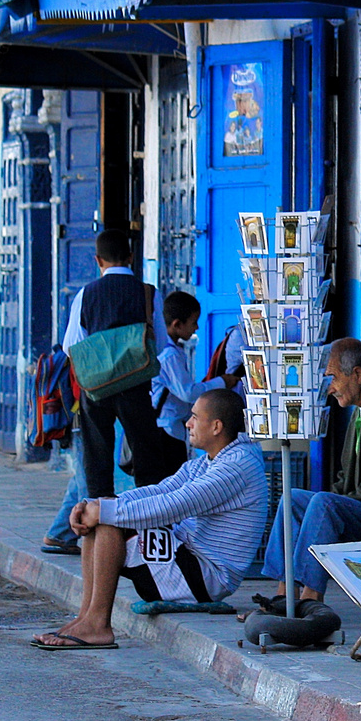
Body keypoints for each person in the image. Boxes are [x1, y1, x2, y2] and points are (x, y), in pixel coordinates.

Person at [31, 388, 267, 649]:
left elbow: (175, 505)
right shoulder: (211, 461)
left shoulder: (236, 467)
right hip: (188, 558)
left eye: (195, 417)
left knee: (111, 522)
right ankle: (85, 617)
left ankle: (97, 625)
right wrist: (96, 504)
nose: (187, 423)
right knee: (105, 514)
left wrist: (106, 512)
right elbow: (163, 489)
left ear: (216, 427)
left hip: (206, 576)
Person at [259, 338, 361, 604]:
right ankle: (284, 597)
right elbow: (345, 478)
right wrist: (329, 504)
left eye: (333, 378)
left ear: (358, 375)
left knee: (324, 503)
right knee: (291, 499)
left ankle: (310, 600)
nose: (330, 388)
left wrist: (333, 506)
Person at [64, 230, 173, 496]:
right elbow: (158, 344)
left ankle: (100, 521)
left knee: (97, 454)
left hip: (97, 388)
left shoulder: (85, 295)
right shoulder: (148, 293)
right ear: (131, 257)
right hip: (136, 385)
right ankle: (148, 516)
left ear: (97, 260)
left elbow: (71, 347)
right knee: (146, 452)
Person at [152, 290, 239, 466]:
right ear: (177, 324)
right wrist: (223, 381)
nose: (197, 328)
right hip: (167, 428)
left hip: (170, 426)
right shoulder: (169, 355)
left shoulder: (169, 350)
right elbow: (188, 393)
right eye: (193, 322)